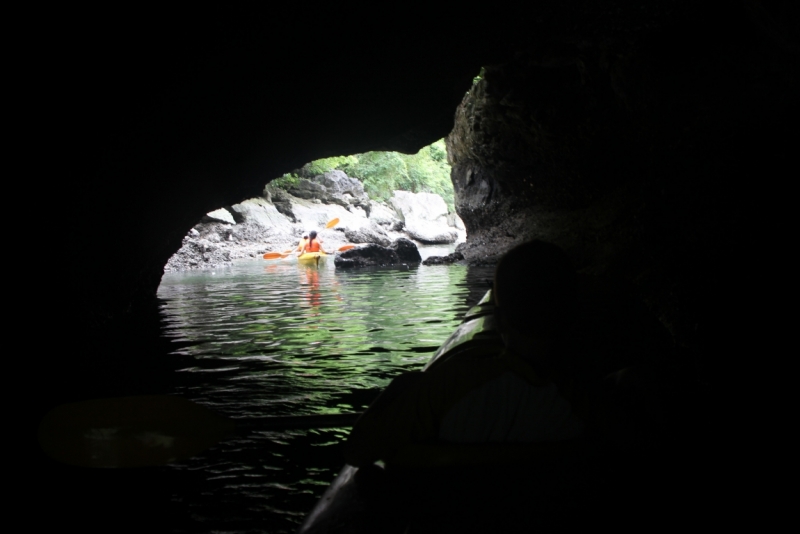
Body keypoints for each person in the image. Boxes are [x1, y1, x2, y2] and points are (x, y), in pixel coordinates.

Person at [344, 240, 607, 468]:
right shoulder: (594, 396)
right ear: (574, 315)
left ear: (500, 321)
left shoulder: (449, 385)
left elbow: (358, 452)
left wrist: (400, 386)